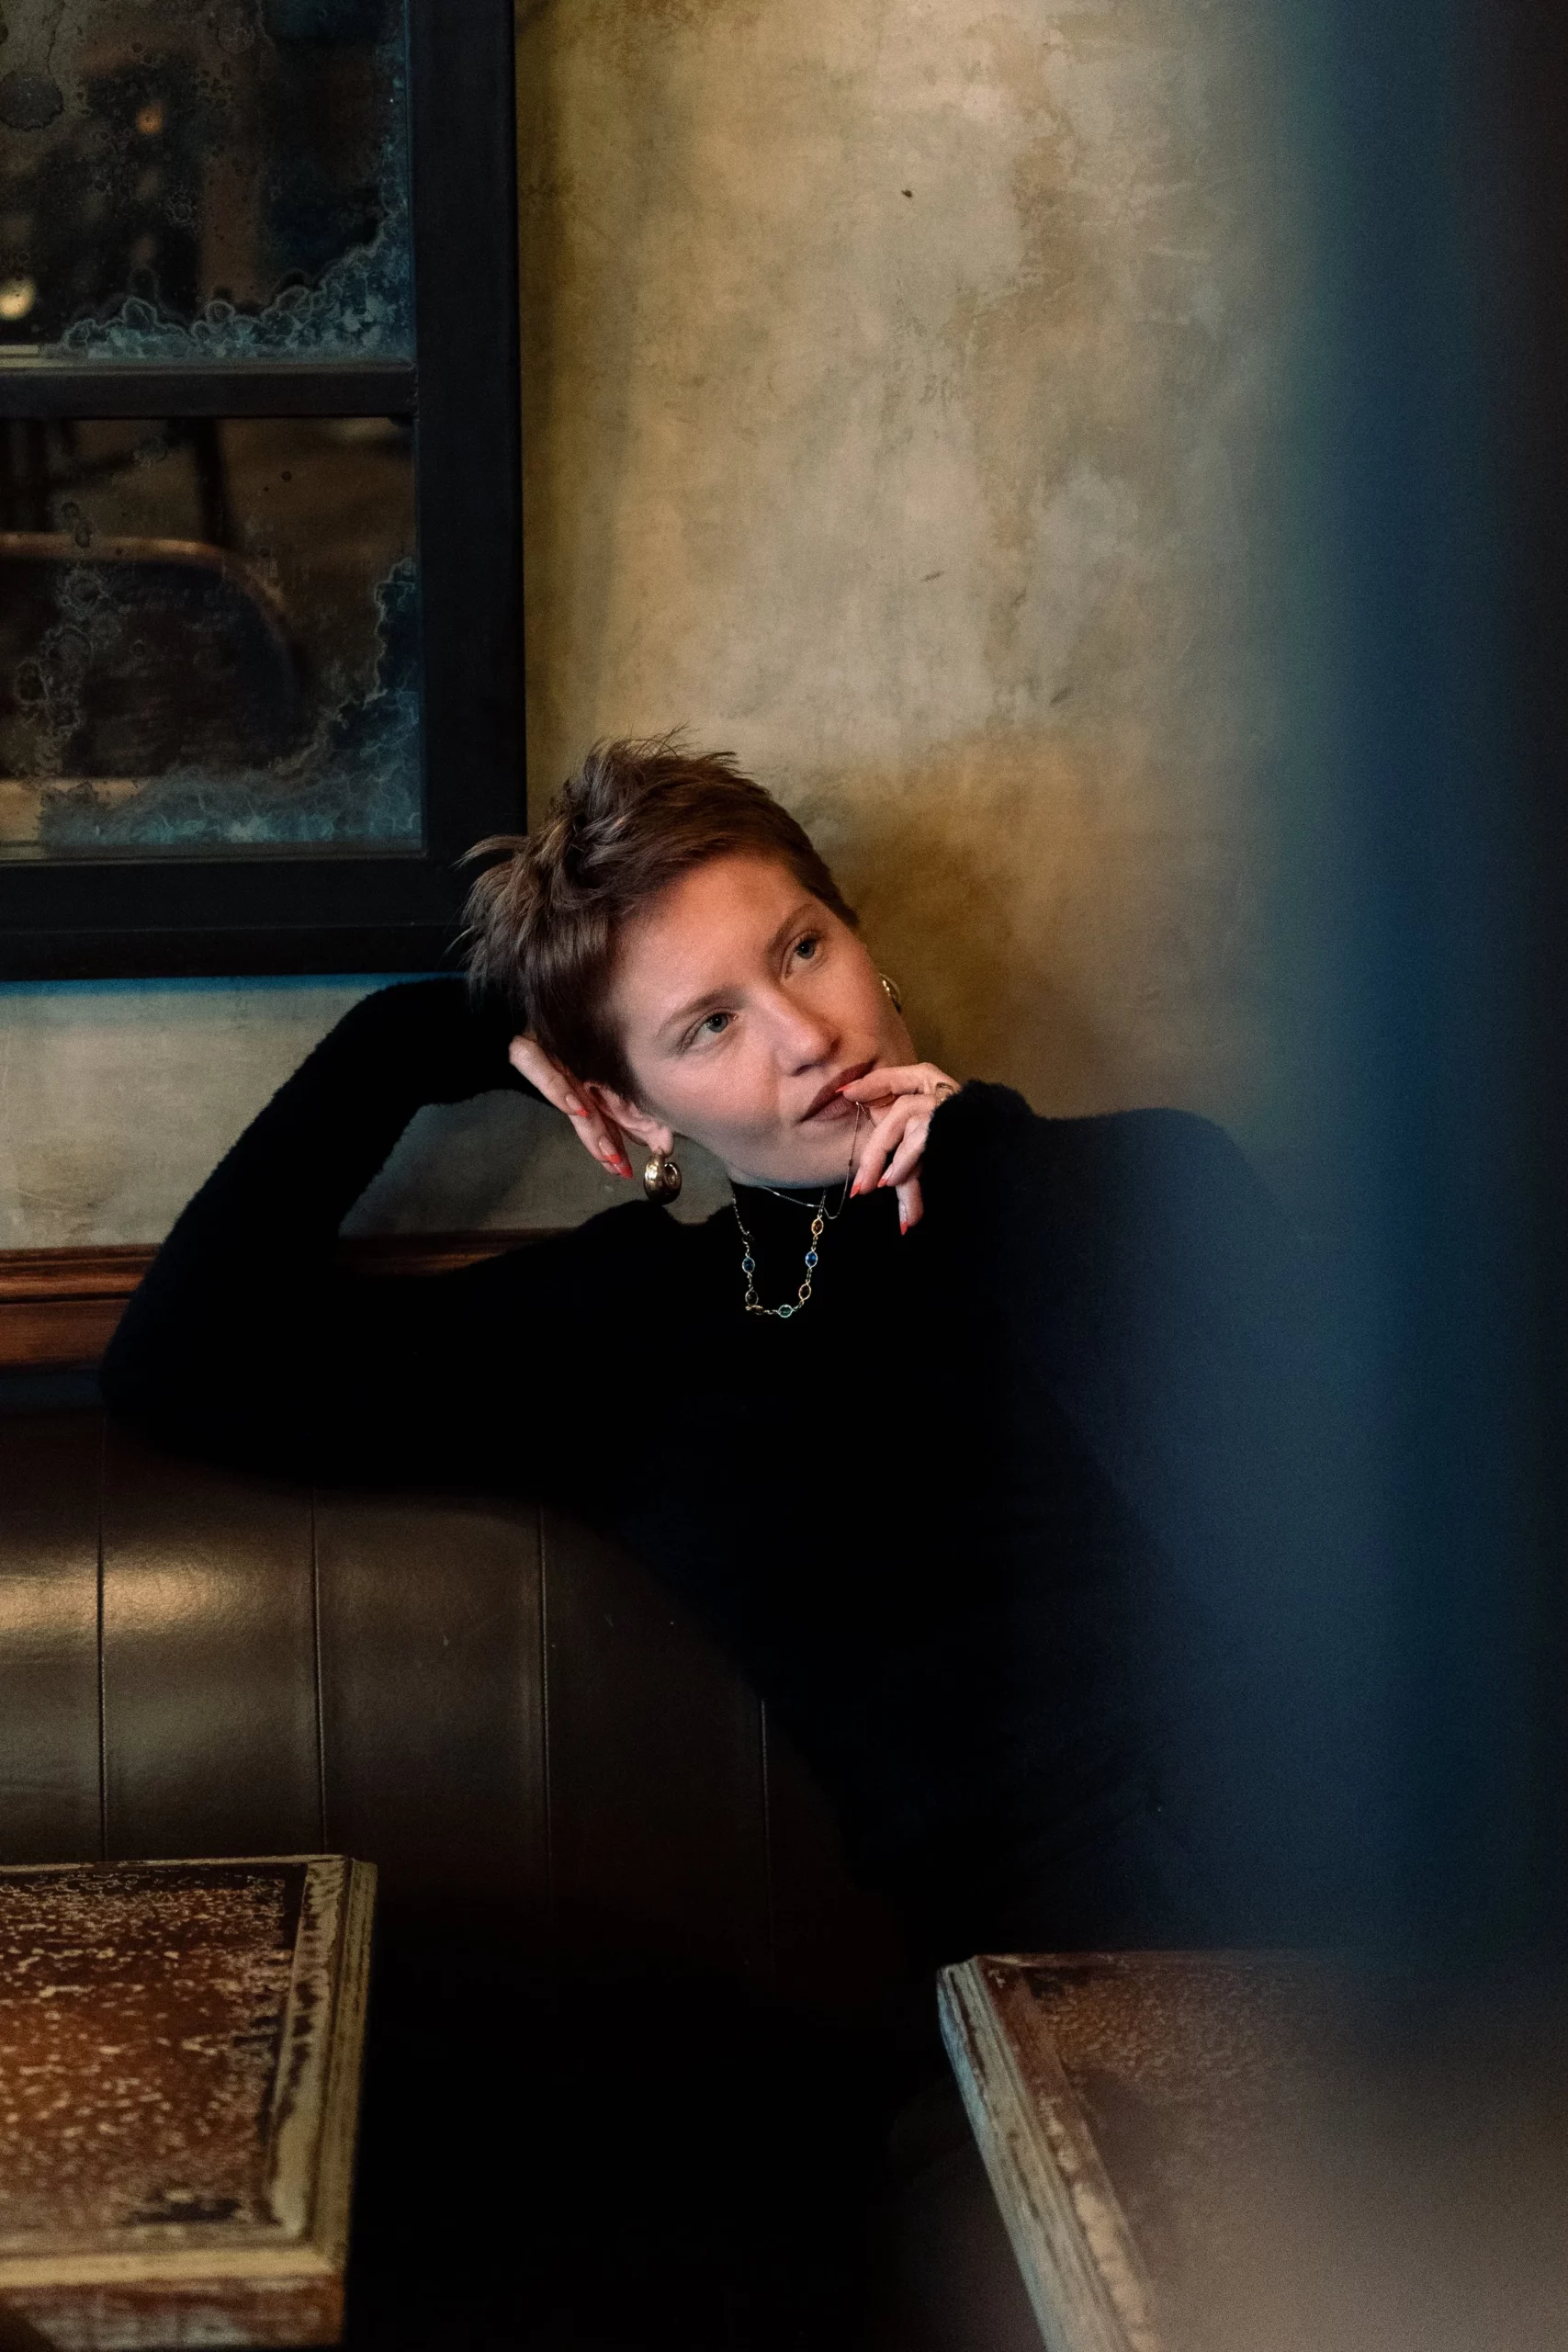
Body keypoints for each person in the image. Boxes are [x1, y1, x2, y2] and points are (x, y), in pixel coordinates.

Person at [102, 738, 1374, 1964]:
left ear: (863, 943)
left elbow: (1316, 1558)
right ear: (625, 1105)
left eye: (803, 950)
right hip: (1093, 1955)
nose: (806, 1036)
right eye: (707, 1026)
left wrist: (987, 1160)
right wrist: (418, 1036)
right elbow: (181, 1365)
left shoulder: (1140, 1175)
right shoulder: (635, 1325)